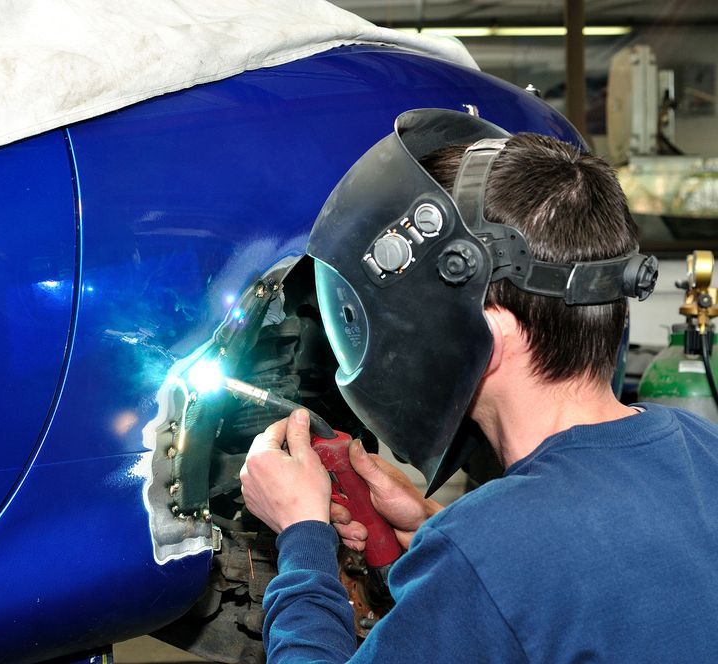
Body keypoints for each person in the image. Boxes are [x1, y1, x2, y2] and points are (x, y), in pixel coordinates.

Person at [238, 108, 718, 662]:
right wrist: (432, 540)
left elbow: (516, 573)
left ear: (486, 332)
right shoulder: (701, 450)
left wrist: (301, 536)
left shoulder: (494, 551)